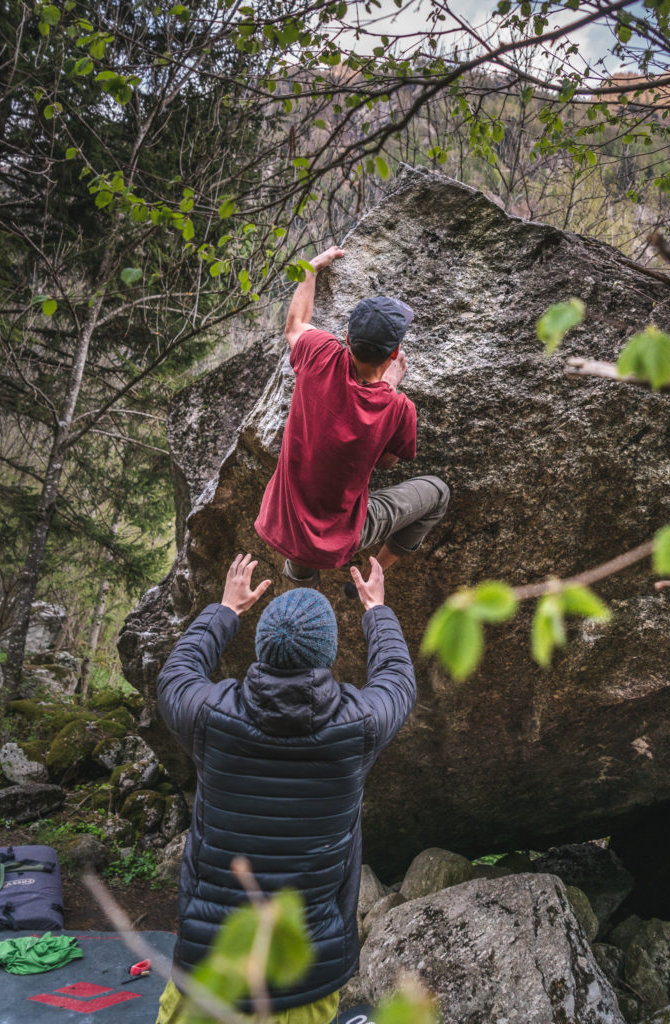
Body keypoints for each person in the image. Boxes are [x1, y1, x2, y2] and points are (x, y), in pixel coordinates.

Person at [154, 552, 416, 1024]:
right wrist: (376, 609)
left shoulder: (209, 717)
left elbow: (176, 673)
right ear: (328, 654)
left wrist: (226, 610)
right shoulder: (358, 727)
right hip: (304, 980)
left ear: (262, 647)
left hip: (209, 974)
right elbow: (397, 679)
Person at [254, 244, 450, 585]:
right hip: (344, 532)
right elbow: (387, 462)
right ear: (395, 353)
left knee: (301, 551)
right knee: (438, 493)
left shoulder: (319, 354)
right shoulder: (398, 408)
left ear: (346, 338)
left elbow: (295, 324)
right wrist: (388, 390)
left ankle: (298, 585)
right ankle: (372, 576)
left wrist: (311, 269)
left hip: (283, 521)